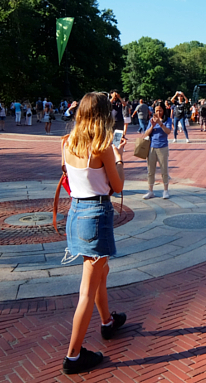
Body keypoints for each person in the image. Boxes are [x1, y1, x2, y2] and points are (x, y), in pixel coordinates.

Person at [61, 92, 127, 374]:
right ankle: (73, 356)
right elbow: (119, 185)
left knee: (101, 272)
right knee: (87, 289)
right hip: (96, 214)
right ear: (102, 115)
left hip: (76, 212)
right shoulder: (102, 147)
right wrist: (120, 158)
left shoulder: (67, 142)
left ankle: (107, 322)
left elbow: (69, 173)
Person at [143, 102, 172, 200]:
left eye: (160, 110)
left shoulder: (167, 120)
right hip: (151, 147)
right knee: (150, 170)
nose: (158, 112)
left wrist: (160, 123)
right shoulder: (152, 120)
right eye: (156, 110)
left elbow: (168, 131)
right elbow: (146, 134)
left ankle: (166, 190)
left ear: (163, 111)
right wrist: (152, 126)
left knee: (164, 170)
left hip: (162, 147)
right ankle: (150, 191)